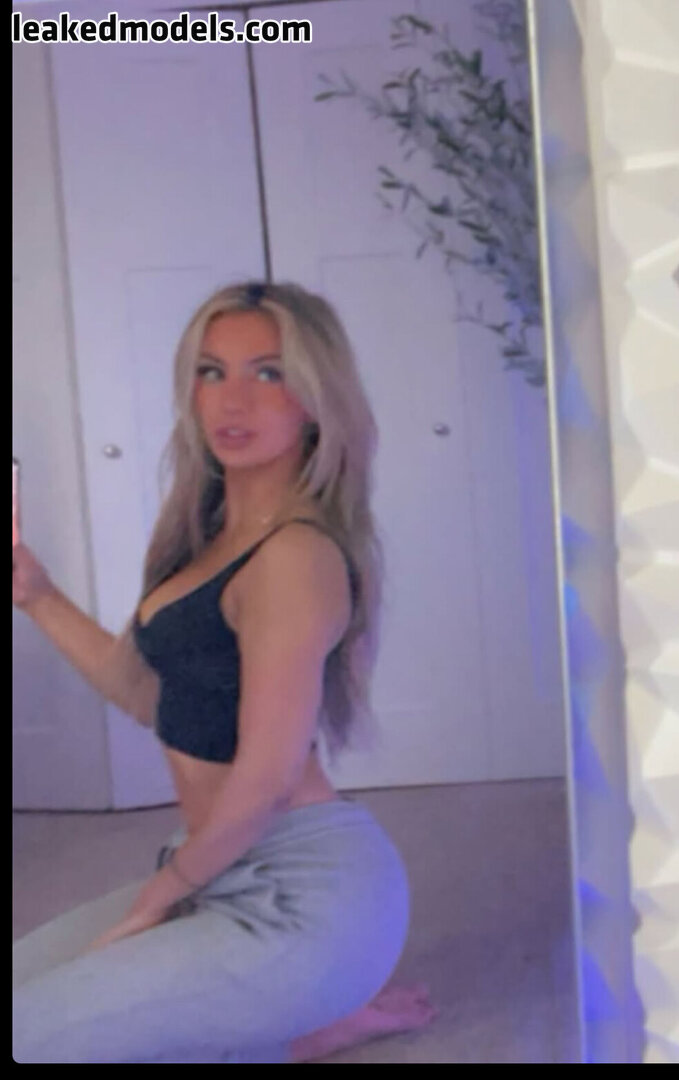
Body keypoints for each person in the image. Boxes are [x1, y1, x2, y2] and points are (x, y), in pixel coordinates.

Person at [12, 280, 438, 1063]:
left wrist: (159, 898)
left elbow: (266, 779)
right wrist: (35, 593)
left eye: (268, 372)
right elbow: (150, 696)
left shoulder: (296, 555)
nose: (232, 400)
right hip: (223, 867)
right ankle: (296, 1028)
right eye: (211, 372)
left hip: (302, 904)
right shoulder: (210, 540)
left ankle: (303, 1011)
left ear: (316, 398)